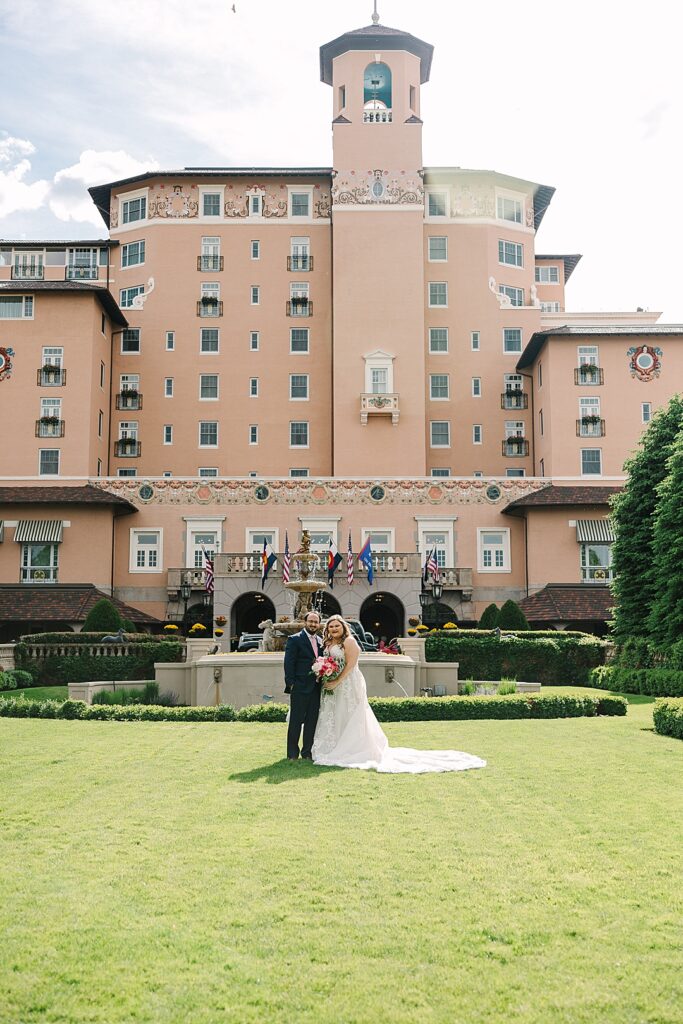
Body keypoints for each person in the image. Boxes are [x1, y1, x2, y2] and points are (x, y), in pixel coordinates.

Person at [312, 615, 486, 774]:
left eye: (337, 626)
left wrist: (337, 680)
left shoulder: (349, 642)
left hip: (348, 683)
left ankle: (350, 748)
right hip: (332, 685)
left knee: (349, 713)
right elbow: (330, 662)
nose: (334, 629)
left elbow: (350, 666)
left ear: (343, 627)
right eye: (331, 626)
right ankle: (332, 745)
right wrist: (326, 673)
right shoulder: (328, 644)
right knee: (335, 713)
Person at [283, 610, 322, 760]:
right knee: (296, 721)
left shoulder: (320, 640)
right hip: (299, 686)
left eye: (315, 621)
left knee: (312, 721)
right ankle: (292, 754)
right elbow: (289, 662)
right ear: (305, 623)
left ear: (319, 624)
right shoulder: (295, 639)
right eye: (310, 621)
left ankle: (307, 752)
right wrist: (290, 683)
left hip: (316, 687)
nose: (313, 624)